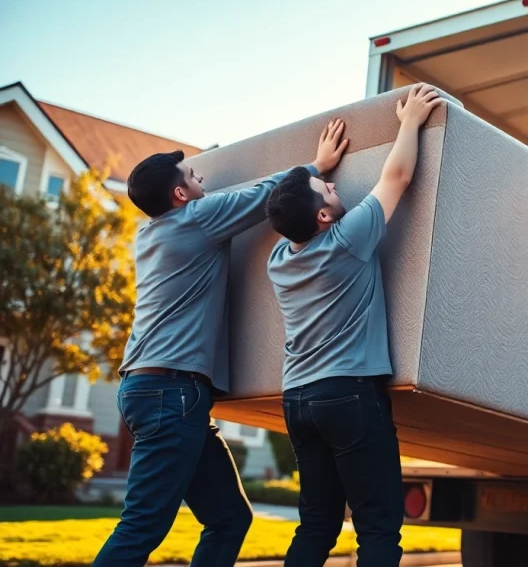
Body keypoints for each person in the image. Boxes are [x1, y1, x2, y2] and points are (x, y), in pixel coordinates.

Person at [93, 119, 349, 567]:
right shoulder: (194, 219)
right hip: (170, 396)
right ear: (179, 195)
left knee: (229, 517)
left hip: (158, 393)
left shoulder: (151, 233)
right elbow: (264, 196)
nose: (201, 180)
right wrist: (316, 167)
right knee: (142, 526)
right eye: (193, 177)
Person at [264, 84, 442, 566]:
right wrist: (409, 122)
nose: (336, 185)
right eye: (328, 189)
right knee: (378, 529)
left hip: (298, 399)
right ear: (323, 215)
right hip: (348, 396)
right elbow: (399, 175)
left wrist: (315, 168)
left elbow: (288, 207)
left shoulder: (280, 260)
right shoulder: (348, 239)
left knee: (317, 526)